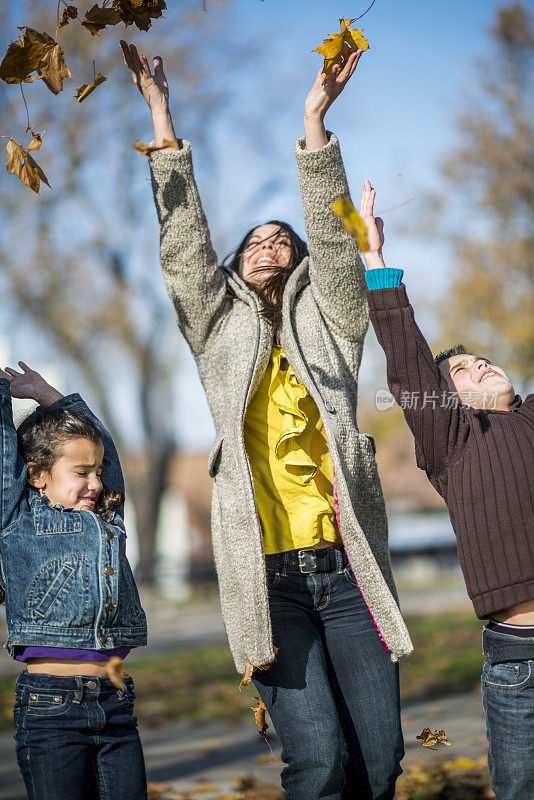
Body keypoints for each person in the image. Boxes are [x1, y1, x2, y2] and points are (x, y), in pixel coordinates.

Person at [120, 41, 412, 800]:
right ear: (236, 264)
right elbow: (184, 250)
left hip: (347, 575)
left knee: (377, 763)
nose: (269, 243)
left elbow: (337, 241)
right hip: (270, 582)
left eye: (283, 238)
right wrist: (162, 121)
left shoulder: (332, 321)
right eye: (254, 240)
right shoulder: (217, 329)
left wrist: (315, 119)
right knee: (316, 765)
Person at [359, 178, 534, 800]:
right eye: (461, 370)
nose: (481, 363)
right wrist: (378, 265)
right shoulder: (454, 441)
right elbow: (408, 364)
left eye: (481, 358)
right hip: (522, 658)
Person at [0, 362, 148, 800]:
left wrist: (48, 395)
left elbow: (109, 456)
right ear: (36, 475)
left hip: (116, 702)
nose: (96, 483)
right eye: (81, 473)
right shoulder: (19, 520)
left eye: (97, 471)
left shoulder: (106, 515)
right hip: (50, 709)